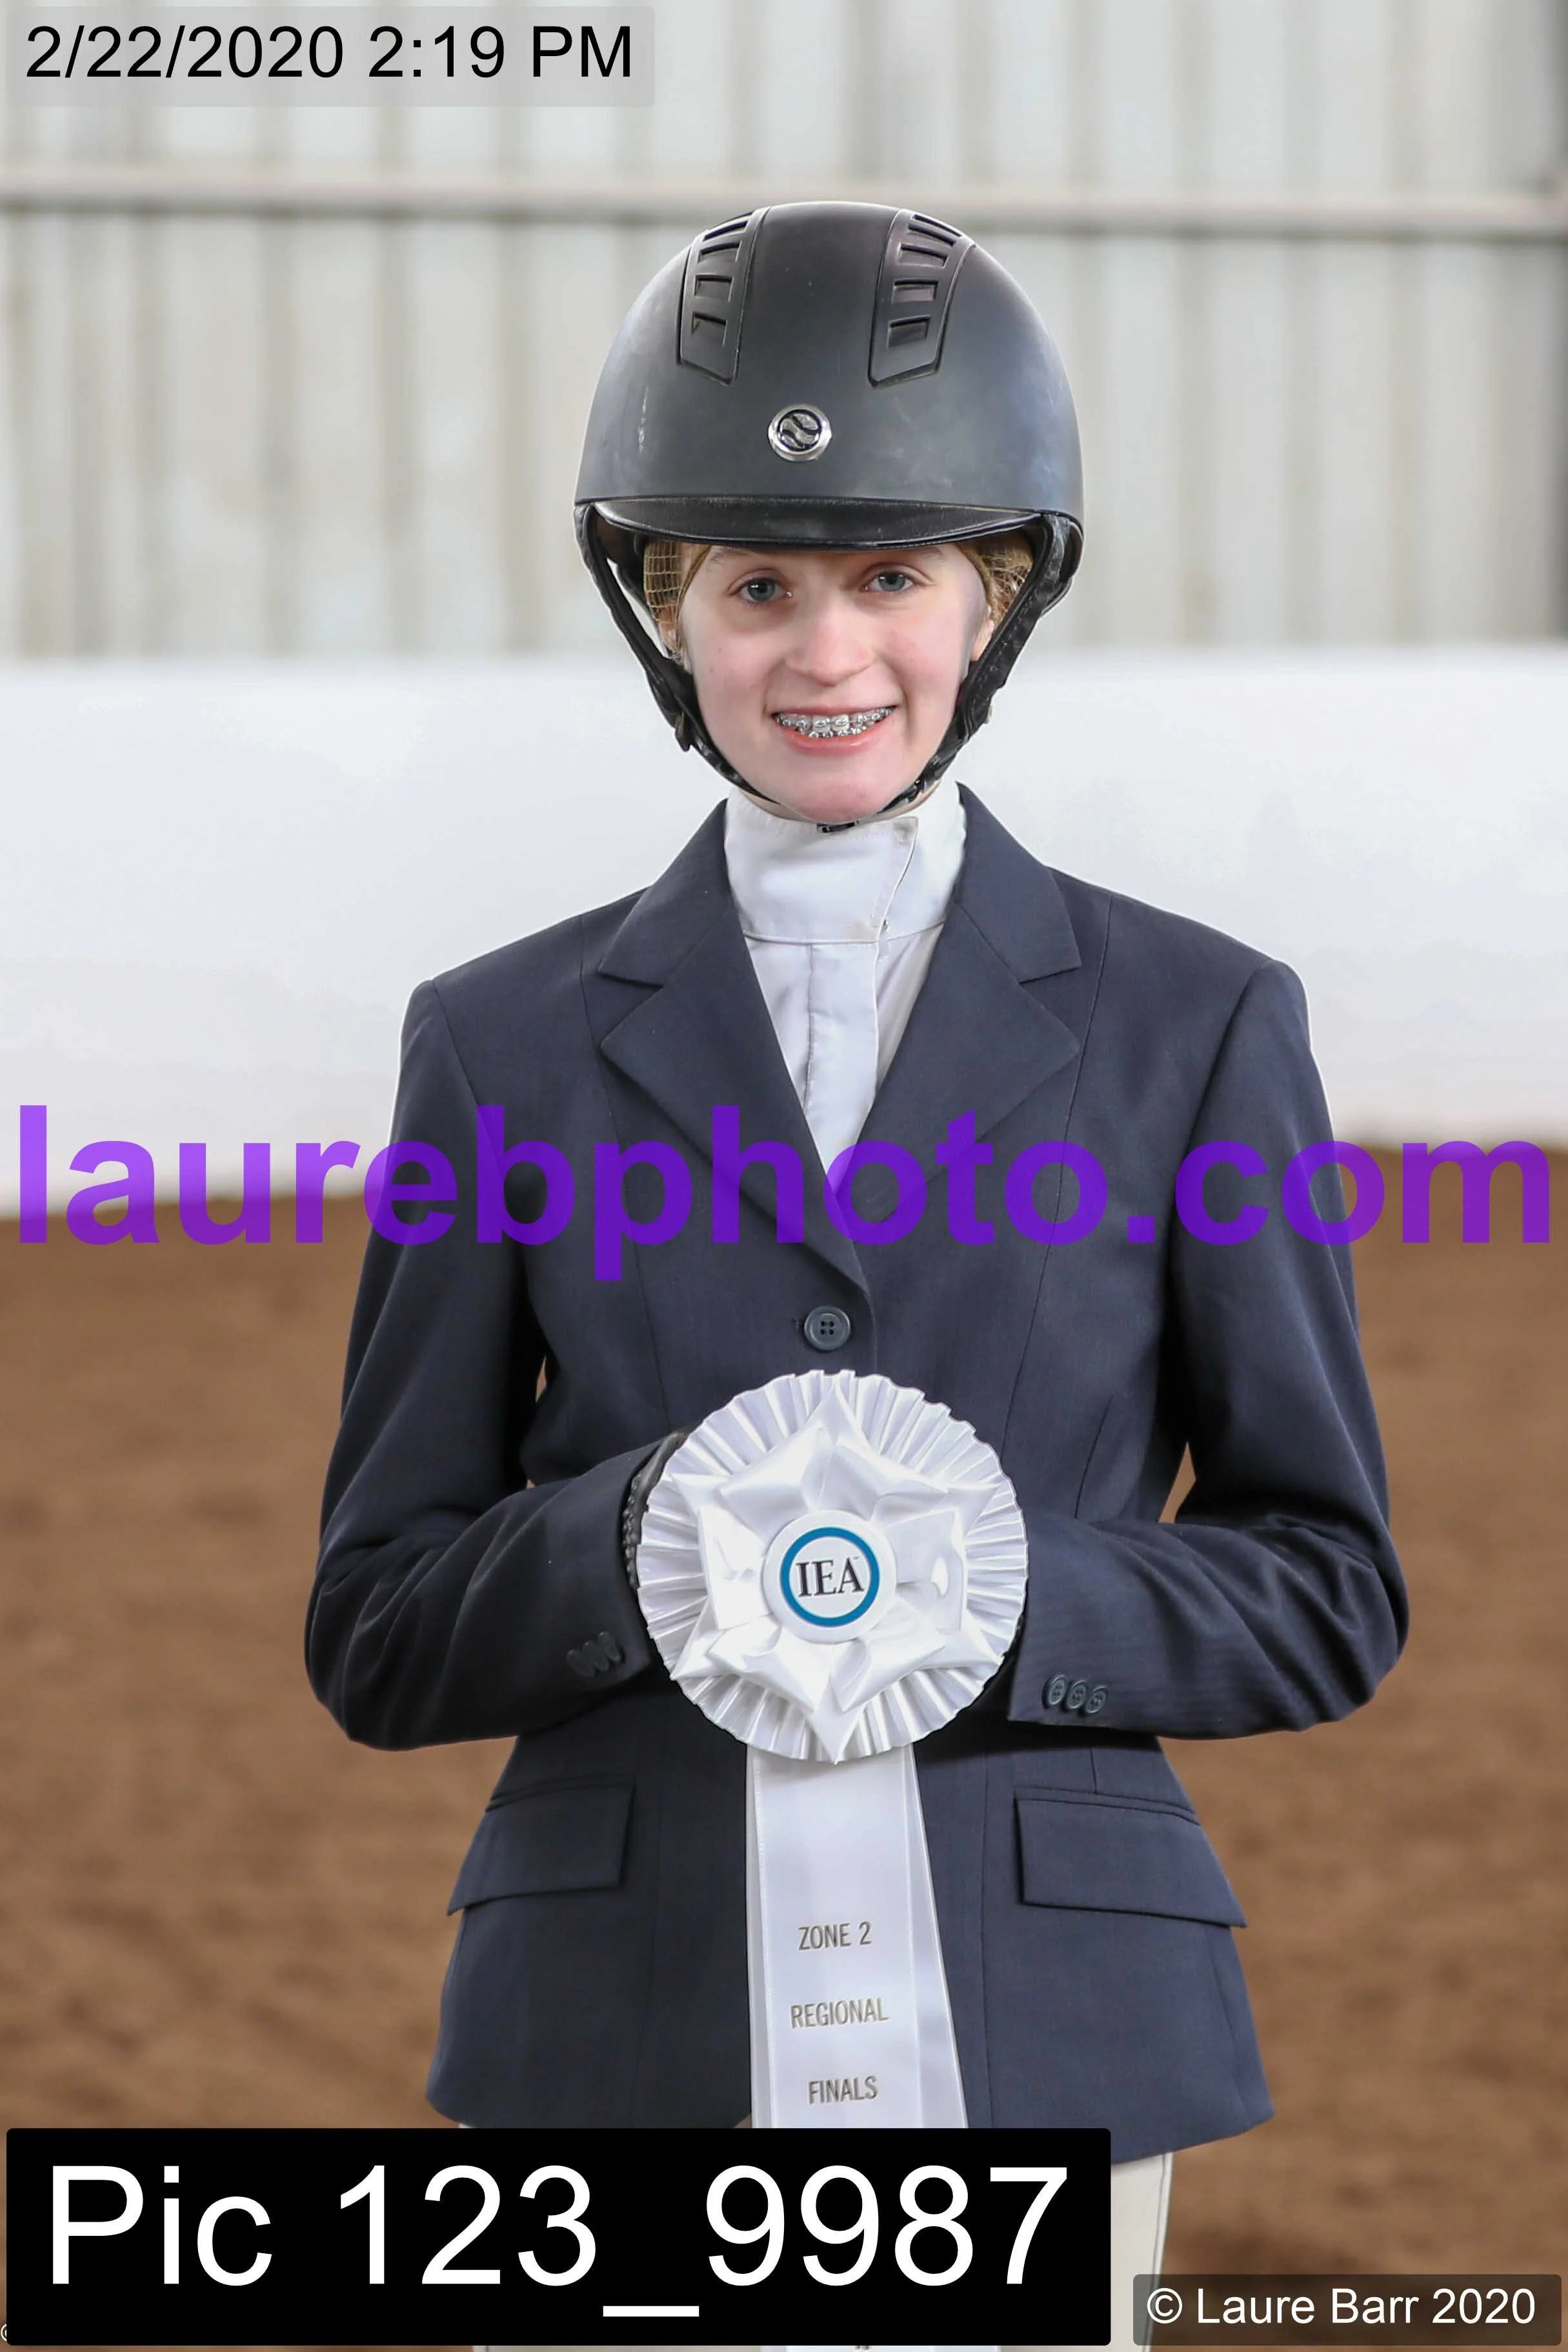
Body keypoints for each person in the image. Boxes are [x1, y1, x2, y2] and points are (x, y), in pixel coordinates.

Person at [308, 202, 1408, 2352]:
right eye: (756, 586)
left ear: (998, 597)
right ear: (666, 617)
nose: (827, 654)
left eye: (893, 576)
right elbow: (378, 1623)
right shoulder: (497, 1044)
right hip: (609, 2038)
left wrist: (977, 1585)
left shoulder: (1198, 1026)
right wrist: (653, 1535)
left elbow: (1322, 1584)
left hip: (1053, 2024)